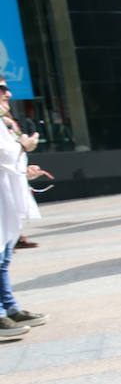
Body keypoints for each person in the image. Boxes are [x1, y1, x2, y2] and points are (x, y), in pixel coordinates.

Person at [0, 75, 50, 338]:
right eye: (1, 88)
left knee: (5, 256)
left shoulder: (4, 121)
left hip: (6, 196)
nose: (7, 94)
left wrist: (24, 168)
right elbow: (5, 153)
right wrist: (24, 146)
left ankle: (9, 308)